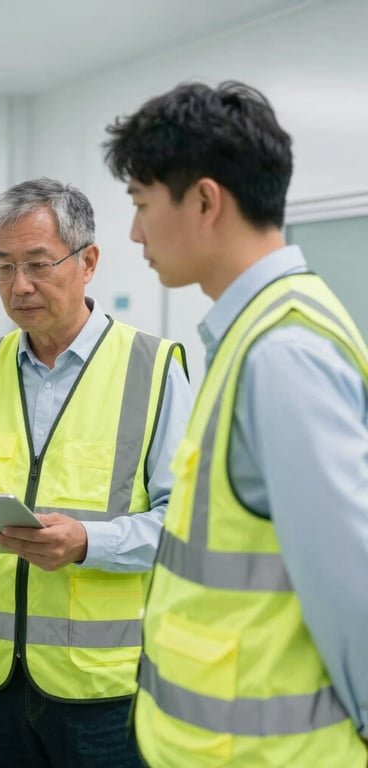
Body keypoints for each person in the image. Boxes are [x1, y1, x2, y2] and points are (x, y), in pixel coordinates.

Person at [103, 81, 368, 767]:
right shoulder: (251, 337)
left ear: (205, 201)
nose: (134, 232)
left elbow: (352, 584)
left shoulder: (283, 354)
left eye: (140, 205)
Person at [0, 177, 194, 768]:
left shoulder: (154, 369)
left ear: (88, 261)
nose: (20, 286)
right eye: (3, 266)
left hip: (106, 691)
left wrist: (88, 542)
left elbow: (188, 528)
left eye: (39, 264)